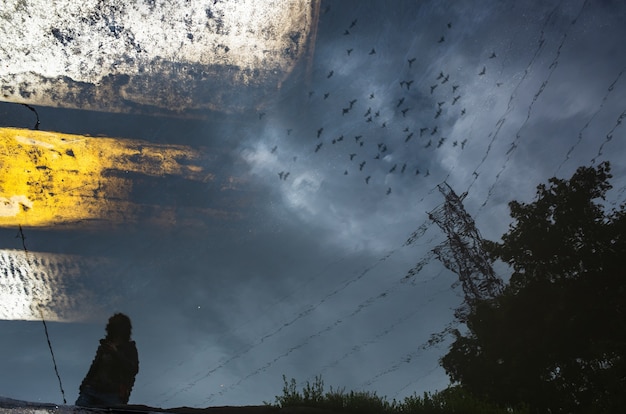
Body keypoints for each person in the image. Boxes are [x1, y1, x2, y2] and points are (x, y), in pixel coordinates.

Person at [76, 313, 139, 407]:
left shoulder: (129, 348)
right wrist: (84, 385)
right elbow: (95, 367)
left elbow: (133, 369)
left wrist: (116, 353)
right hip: (92, 390)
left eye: (119, 326)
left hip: (113, 394)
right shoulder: (104, 346)